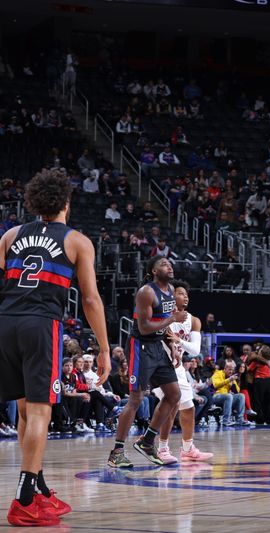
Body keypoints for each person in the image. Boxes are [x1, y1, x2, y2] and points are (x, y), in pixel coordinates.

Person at [0, 169, 110, 526]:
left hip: (6, 321)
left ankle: (40, 487)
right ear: (66, 203)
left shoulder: (11, 235)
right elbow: (90, 300)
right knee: (40, 412)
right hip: (40, 323)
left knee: (24, 412)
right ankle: (25, 498)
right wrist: (105, 348)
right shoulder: (77, 241)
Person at [107, 257, 184, 468]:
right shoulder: (146, 292)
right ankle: (117, 452)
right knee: (136, 399)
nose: (169, 266)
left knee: (174, 394)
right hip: (140, 346)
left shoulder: (170, 290)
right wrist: (173, 320)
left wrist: (173, 347)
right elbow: (144, 327)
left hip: (158, 346)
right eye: (163, 264)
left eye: (170, 263)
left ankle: (148, 441)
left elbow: (163, 324)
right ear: (153, 270)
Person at [152, 280, 213, 463]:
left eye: (187, 294)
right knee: (170, 405)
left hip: (177, 366)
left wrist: (179, 341)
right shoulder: (163, 315)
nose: (185, 296)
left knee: (189, 408)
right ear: (171, 296)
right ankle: (162, 449)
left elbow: (194, 350)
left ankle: (187, 449)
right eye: (180, 293)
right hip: (159, 365)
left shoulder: (193, 320)